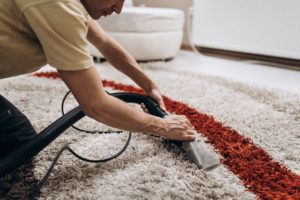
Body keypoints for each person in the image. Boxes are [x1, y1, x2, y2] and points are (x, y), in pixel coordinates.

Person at [0, 0, 196, 157]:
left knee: (20, 140)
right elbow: (96, 105)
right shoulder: (59, 5)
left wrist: (149, 86)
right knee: (19, 146)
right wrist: (163, 126)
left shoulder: (73, 6)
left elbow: (106, 45)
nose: (119, 9)